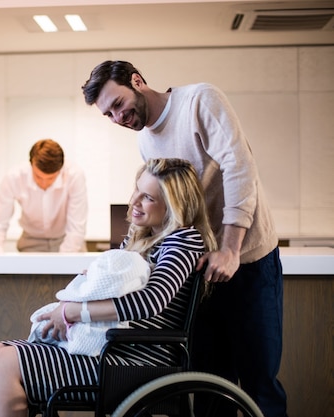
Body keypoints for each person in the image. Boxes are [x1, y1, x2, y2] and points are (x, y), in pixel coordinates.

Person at [81, 60, 288, 417]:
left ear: (137, 81)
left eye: (117, 105)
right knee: (209, 383)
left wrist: (230, 249)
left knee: (259, 383)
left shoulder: (199, 101)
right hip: (201, 269)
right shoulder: (147, 142)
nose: (117, 118)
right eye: (108, 115)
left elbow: (239, 167)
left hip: (249, 259)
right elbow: (170, 211)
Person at [0, 158, 217, 417]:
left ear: (174, 205)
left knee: (5, 362)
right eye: (137, 190)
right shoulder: (141, 237)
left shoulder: (183, 240)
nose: (134, 201)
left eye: (147, 197)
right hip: (112, 349)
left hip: (137, 359)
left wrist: (72, 312)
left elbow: (151, 301)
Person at [0, 138, 88, 252]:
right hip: (31, 242)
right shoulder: (14, 177)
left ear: (60, 169)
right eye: (38, 176)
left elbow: (76, 229)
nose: (44, 183)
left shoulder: (74, 176)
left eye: (51, 178)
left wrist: (64, 265)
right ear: (31, 164)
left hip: (67, 240)